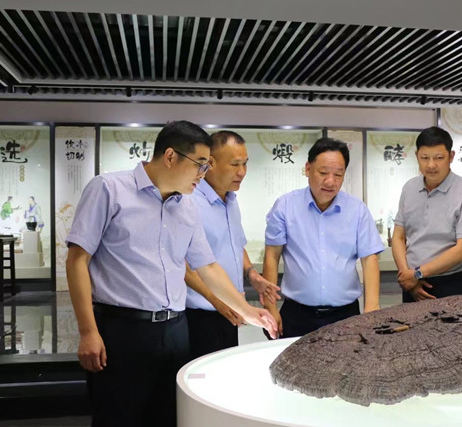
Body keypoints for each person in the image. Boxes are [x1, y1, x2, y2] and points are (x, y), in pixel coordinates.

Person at [65, 120, 278, 427]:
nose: (203, 173)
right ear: (170, 156)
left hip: (175, 331)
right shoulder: (109, 189)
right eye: (200, 164)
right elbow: (77, 260)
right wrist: (88, 331)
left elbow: (208, 267)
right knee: (118, 417)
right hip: (122, 330)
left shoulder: (187, 206)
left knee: (167, 417)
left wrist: (247, 311)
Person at [263, 137, 384, 338]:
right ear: (307, 168)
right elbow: (271, 256)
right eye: (323, 173)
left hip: (345, 315)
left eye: (338, 174)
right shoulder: (285, 206)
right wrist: (270, 307)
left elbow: (369, 259)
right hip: (297, 314)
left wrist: (372, 308)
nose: (330, 181)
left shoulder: (357, 210)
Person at [184, 130, 280, 359]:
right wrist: (216, 300)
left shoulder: (231, 201)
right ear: (211, 163)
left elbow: (236, 245)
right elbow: (184, 264)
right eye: (235, 164)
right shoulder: (189, 201)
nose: (242, 172)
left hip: (229, 312)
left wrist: (252, 275)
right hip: (200, 315)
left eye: (245, 164)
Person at [392, 126, 462, 303]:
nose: (431, 165)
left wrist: (417, 273)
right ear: (417, 156)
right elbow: (398, 236)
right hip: (411, 283)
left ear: (451, 156)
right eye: (424, 158)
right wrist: (407, 276)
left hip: (451, 283)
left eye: (439, 158)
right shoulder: (409, 188)